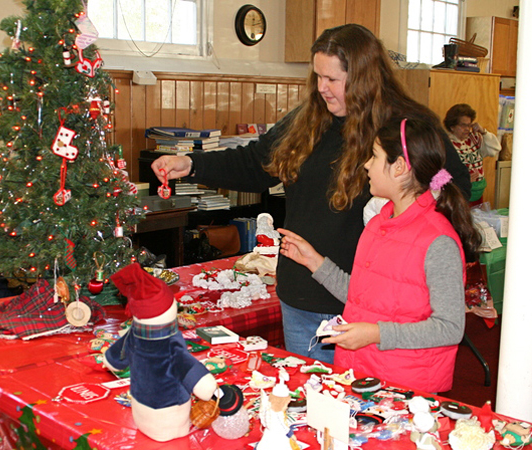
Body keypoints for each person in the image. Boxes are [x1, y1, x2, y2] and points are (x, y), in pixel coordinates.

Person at [151, 24, 471, 364]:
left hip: (365, 306)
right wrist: (191, 164)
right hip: (301, 295)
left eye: (332, 79)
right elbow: (254, 162)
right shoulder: (309, 119)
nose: (321, 88)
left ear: (363, 77)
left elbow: (451, 185)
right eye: (317, 77)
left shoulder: (406, 128)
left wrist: (406, 207)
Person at [278, 117, 481, 393]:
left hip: (405, 387)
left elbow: (449, 328)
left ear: (398, 167)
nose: (366, 165)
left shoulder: (438, 240)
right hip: (362, 372)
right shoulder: (378, 223)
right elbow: (364, 297)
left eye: (374, 156)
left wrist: (375, 334)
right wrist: (313, 261)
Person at [444, 103, 501, 204]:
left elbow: (495, 150)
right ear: (452, 126)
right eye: (463, 125)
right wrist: (463, 179)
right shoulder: (447, 145)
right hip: (460, 194)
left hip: (478, 193)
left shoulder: (474, 138)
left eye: (469, 125)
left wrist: (484, 132)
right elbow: (442, 174)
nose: (467, 129)